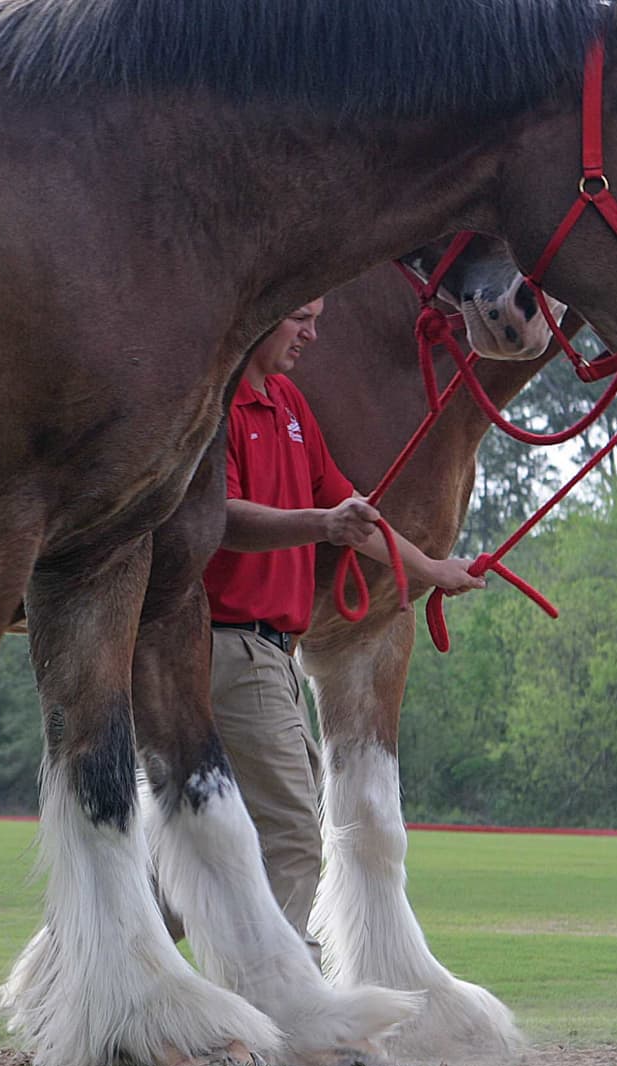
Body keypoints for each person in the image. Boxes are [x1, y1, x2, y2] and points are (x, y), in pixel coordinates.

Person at [203, 297, 482, 963]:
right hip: (234, 646)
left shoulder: (291, 407)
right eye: (300, 317)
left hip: (267, 654)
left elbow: (356, 516)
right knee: (293, 833)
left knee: (196, 842)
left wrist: (432, 569)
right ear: (262, 314)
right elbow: (223, 518)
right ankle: (277, 987)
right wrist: (320, 526)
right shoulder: (219, 408)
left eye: (319, 318)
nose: (312, 333)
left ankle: (113, 960)